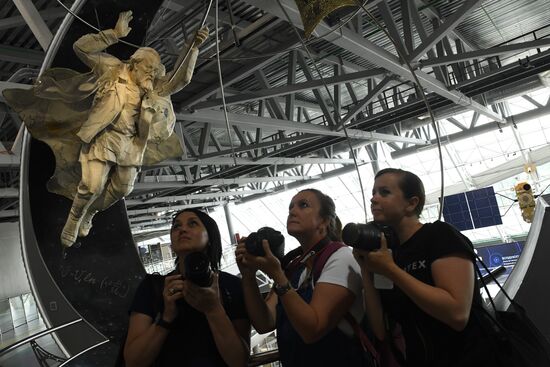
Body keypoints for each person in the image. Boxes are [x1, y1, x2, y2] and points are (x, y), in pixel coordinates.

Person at [52, 11, 210, 247]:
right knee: (92, 186)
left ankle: (91, 212)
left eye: (155, 71)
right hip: (104, 138)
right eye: (149, 69)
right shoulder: (112, 69)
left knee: (123, 189)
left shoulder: (153, 88)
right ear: (135, 64)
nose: (152, 74)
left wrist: (192, 47)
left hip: (132, 145)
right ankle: (74, 218)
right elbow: (81, 48)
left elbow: (181, 80)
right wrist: (114, 34)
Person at [353, 168, 498, 366]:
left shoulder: (439, 235)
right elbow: (380, 330)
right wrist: (365, 268)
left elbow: (457, 314)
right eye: (373, 193)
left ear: (412, 203)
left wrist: (391, 270)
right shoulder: (389, 253)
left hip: (469, 357)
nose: (374, 199)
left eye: (384, 192)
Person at [235, 189, 365, 366]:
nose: (292, 211)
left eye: (303, 205)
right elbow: (265, 322)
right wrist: (248, 276)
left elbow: (312, 330)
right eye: (291, 207)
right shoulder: (294, 266)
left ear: (324, 222)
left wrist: (277, 275)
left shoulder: (340, 258)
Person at [124, 209, 250, 367]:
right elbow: (133, 361)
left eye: (193, 223)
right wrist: (166, 318)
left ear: (210, 236)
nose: (182, 229)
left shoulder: (231, 286)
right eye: (176, 226)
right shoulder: (153, 286)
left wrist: (213, 309)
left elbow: (239, 361)